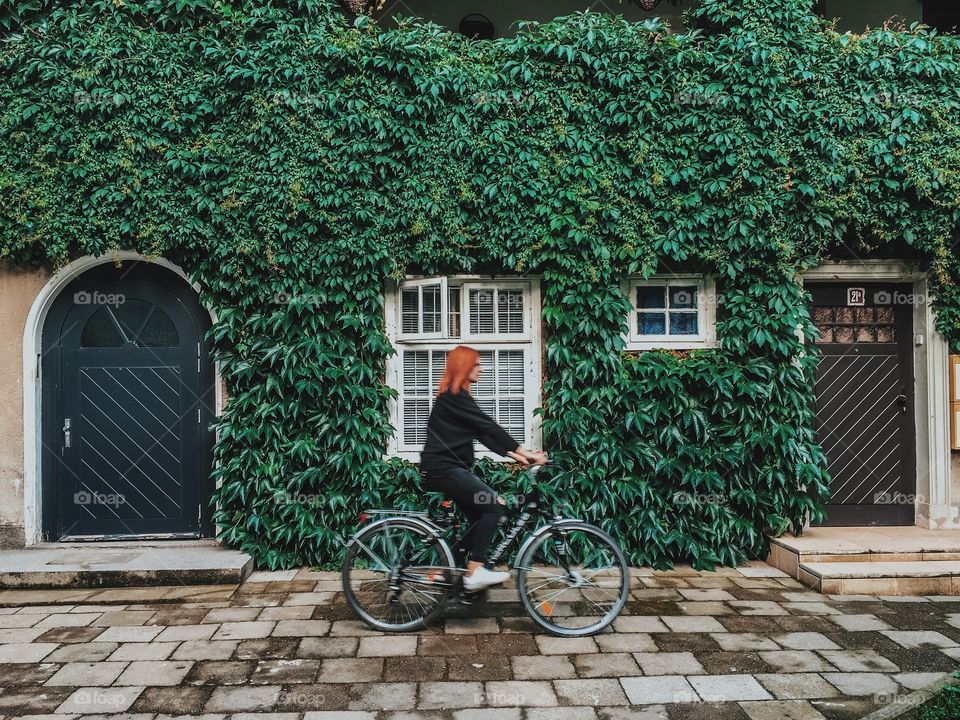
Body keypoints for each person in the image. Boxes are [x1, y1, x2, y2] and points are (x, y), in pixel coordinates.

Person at [420, 345, 548, 592]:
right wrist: (526, 452)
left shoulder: (457, 397)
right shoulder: (454, 397)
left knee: (481, 518)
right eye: (477, 364)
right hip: (444, 470)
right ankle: (475, 571)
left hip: (447, 469)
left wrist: (516, 455)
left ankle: (442, 571)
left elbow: (482, 432)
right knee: (493, 507)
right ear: (464, 367)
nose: (482, 368)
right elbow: (488, 426)